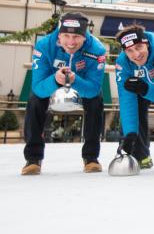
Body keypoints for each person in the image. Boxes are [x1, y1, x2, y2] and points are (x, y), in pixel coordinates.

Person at [22, 12, 106, 175]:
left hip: (80, 82)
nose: (71, 42)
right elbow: (38, 86)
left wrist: (76, 81)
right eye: (66, 36)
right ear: (59, 34)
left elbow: (94, 88)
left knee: (96, 100)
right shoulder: (44, 46)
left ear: (85, 36)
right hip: (52, 80)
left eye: (76, 37)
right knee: (34, 99)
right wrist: (55, 79)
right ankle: (33, 158)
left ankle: (91, 157)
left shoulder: (97, 49)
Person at [115, 24, 154, 169]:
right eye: (129, 51)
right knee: (133, 102)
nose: (136, 55)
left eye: (138, 48)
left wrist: (146, 90)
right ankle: (140, 155)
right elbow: (127, 102)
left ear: (146, 44)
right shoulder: (122, 62)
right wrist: (129, 134)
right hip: (146, 86)